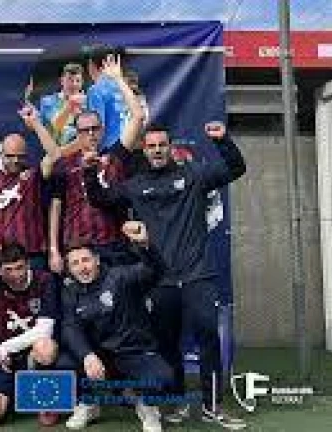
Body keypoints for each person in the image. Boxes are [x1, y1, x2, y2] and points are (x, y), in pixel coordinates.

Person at [83, 121, 247, 429]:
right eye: (151, 146)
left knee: (208, 336)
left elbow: (236, 168)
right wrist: (90, 172)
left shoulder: (194, 175)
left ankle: (212, 405)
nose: (157, 150)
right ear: (144, 150)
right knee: (167, 344)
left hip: (197, 275)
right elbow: (100, 199)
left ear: (171, 147)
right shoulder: (134, 185)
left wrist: (223, 140)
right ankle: (177, 403)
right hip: (160, 280)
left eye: (162, 145)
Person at [21, 53, 144, 273]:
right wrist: (54, 250)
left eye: (95, 129)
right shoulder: (67, 164)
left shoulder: (115, 157)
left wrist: (118, 79)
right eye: (85, 130)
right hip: (77, 247)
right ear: (77, 134)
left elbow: (137, 117)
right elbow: (56, 207)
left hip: (114, 245)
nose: (91, 134)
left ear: (102, 130)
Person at [57, 221, 172, 432]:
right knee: (63, 363)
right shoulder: (69, 290)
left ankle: (147, 406)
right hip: (100, 356)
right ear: (69, 269)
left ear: (97, 260)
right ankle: (88, 404)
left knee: (161, 379)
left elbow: (155, 271)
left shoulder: (120, 277)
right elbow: (70, 327)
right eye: (75, 263)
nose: (82, 267)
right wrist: (87, 355)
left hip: (132, 352)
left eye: (86, 260)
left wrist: (145, 246)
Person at [0, 240, 60, 426]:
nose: (15, 275)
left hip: (32, 355)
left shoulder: (45, 280)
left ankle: (43, 399)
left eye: (19, 268)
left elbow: (45, 330)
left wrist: (7, 346)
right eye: (8, 270)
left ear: (28, 263)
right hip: (5, 360)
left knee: (46, 348)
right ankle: (13, 394)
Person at [0, 134, 48, 268]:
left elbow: (54, 155)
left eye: (20, 156)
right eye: (10, 156)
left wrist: (36, 124)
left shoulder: (35, 177)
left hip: (32, 256)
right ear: (1, 155)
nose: (16, 160)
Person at [85, 44, 129, 153]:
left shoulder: (95, 90)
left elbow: (95, 128)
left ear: (91, 65)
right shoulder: (124, 88)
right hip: (127, 146)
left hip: (109, 151)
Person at [37, 63, 86, 147]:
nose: (74, 84)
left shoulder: (88, 101)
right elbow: (56, 125)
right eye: (70, 80)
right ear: (62, 81)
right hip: (57, 151)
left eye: (78, 81)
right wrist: (70, 105)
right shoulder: (48, 101)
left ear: (82, 83)